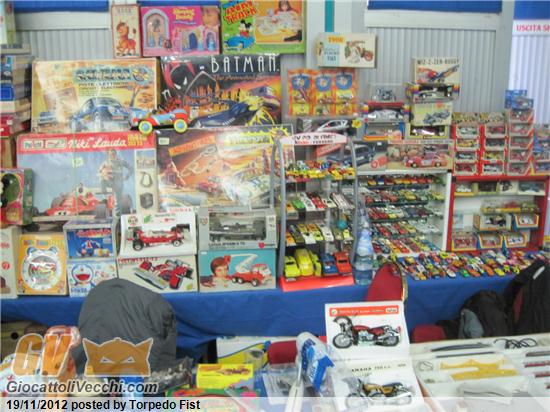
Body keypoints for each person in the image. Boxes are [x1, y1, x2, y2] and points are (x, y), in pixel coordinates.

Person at [98, 149, 133, 217]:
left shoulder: (121, 161)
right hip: (109, 181)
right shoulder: (105, 163)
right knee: (102, 180)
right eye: (110, 154)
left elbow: (131, 168)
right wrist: (104, 175)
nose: (112, 155)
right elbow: (99, 172)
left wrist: (127, 176)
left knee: (118, 201)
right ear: (108, 155)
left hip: (118, 183)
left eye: (113, 154)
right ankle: (105, 197)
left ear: (116, 154)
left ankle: (118, 216)